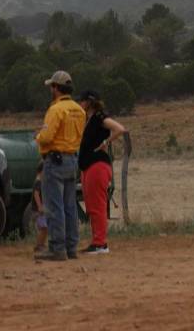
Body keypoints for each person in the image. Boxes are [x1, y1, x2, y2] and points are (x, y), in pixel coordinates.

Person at [35, 70, 85, 262]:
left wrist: (38, 138)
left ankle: (57, 249)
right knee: (70, 206)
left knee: (54, 207)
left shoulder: (56, 110)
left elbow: (47, 137)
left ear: (56, 88)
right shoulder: (79, 110)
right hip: (72, 159)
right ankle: (71, 247)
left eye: (51, 86)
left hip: (54, 161)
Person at [76, 89, 126, 254]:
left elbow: (119, 129)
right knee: (91, 205)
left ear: (88, 102)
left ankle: (100, 243)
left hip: (97, 165)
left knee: (97, 205)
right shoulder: (88, 119)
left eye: (82, 101)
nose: (80, 103)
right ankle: (97, 241)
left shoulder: (99, 117)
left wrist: (106, 142)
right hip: (88, 165)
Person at [32, 161, 48, 252]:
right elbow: (36, 194)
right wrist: (40, 206)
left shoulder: (39, 181)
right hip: (39, 210)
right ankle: (39, 245)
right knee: (43, 228)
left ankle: (41, 244)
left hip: (40, 209)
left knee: (44, 228)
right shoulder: (38, 182)